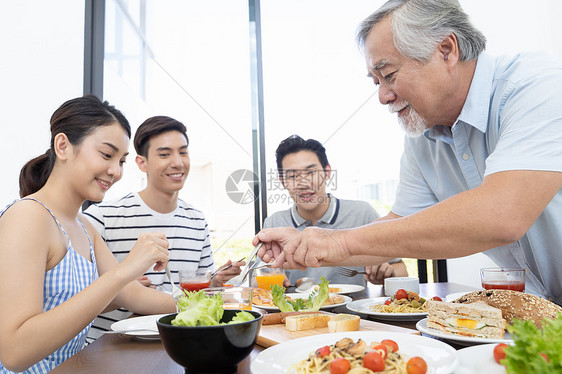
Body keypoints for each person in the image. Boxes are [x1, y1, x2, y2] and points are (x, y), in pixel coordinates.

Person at [254, 0, 562, 305]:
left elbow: (502, 214)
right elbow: (398, 225)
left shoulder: (535, 86)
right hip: (544, 308)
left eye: (388, 75)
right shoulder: (422, 137)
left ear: (446, 50)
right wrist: (310, 245)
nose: (383, 97)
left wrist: (336, 241)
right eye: (376, 82)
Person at [0, 96, 176, 373]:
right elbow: (14, 352)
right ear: (63, 146)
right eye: (107, 155)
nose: (115, 171)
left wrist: (219, 303)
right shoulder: (28, 217)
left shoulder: (83, 226)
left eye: (121, 161)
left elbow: (134, 296)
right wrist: (125, 270)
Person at [84, 115, 244, 342]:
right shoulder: (101, 218)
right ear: (142, 163)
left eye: (183, 152)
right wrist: (121, 292)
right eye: (164, 154)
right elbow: (75, 303)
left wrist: (215, 283)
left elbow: (197, 292)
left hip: (181, 342)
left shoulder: (197, 221)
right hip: (113, 347)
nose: (178, 162)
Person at [260, 135, 407, 287]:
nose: (303, 184)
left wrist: (389, 274)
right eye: (292, 176)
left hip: (352, 310)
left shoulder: (362, 213)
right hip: (295, 310)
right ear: (283, 182)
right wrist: (269, 281)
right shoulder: (274, 224)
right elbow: (258, 276)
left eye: (311, 173)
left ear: (327, 172)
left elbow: (401, 268)